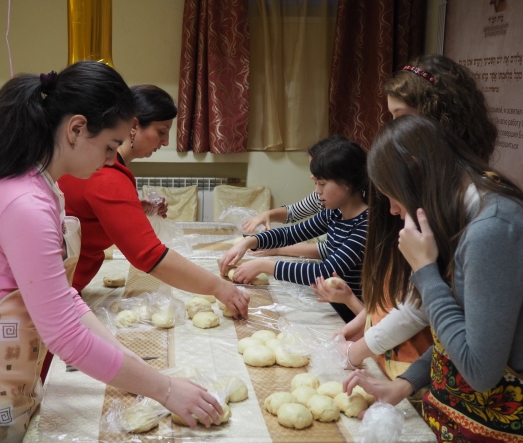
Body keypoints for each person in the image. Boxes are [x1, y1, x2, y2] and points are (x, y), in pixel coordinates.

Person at [0, 62, 223, 443]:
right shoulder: (24, 203)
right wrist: (166, 389)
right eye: (110, 146)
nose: (112, 159)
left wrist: (134, 365)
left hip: (0, 379)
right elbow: (65, 336)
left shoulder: (44, 190)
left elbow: (65, 300)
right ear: (76, 129)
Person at [344, 114, 523, 442]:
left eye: (392, 196)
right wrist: (405, 383)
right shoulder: (466, 216)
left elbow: (481, 370)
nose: (394, 211)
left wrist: (425, 272)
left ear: (415, 170)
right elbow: (461, 329)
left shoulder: (491, 229)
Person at [322, 54, 498, 380]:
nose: (392, 210)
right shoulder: (443, 196)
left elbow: (474, 358)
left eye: (399, 116)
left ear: (435, 119)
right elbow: (423, 298)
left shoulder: (485, 218)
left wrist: (363, 347)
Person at [58, 84, 249, 318]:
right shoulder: (106, 175)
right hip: (55, 292)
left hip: (63, 287)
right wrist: (218, 287)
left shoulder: (106, 171)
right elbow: (149, 255)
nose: (166, 141)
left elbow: (88, 212)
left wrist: (135, 209)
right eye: (161, 131)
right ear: (133, 126)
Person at [219, 135, 368, 323]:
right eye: (316, 184)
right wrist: (250, 241)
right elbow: (291, 233)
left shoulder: (365, 226)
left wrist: (265, 265)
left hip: (354, 317)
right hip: (332, 306)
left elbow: (323, 272)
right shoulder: (335, 213)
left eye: (322, 184)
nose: (317, 191)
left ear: (348, 184)